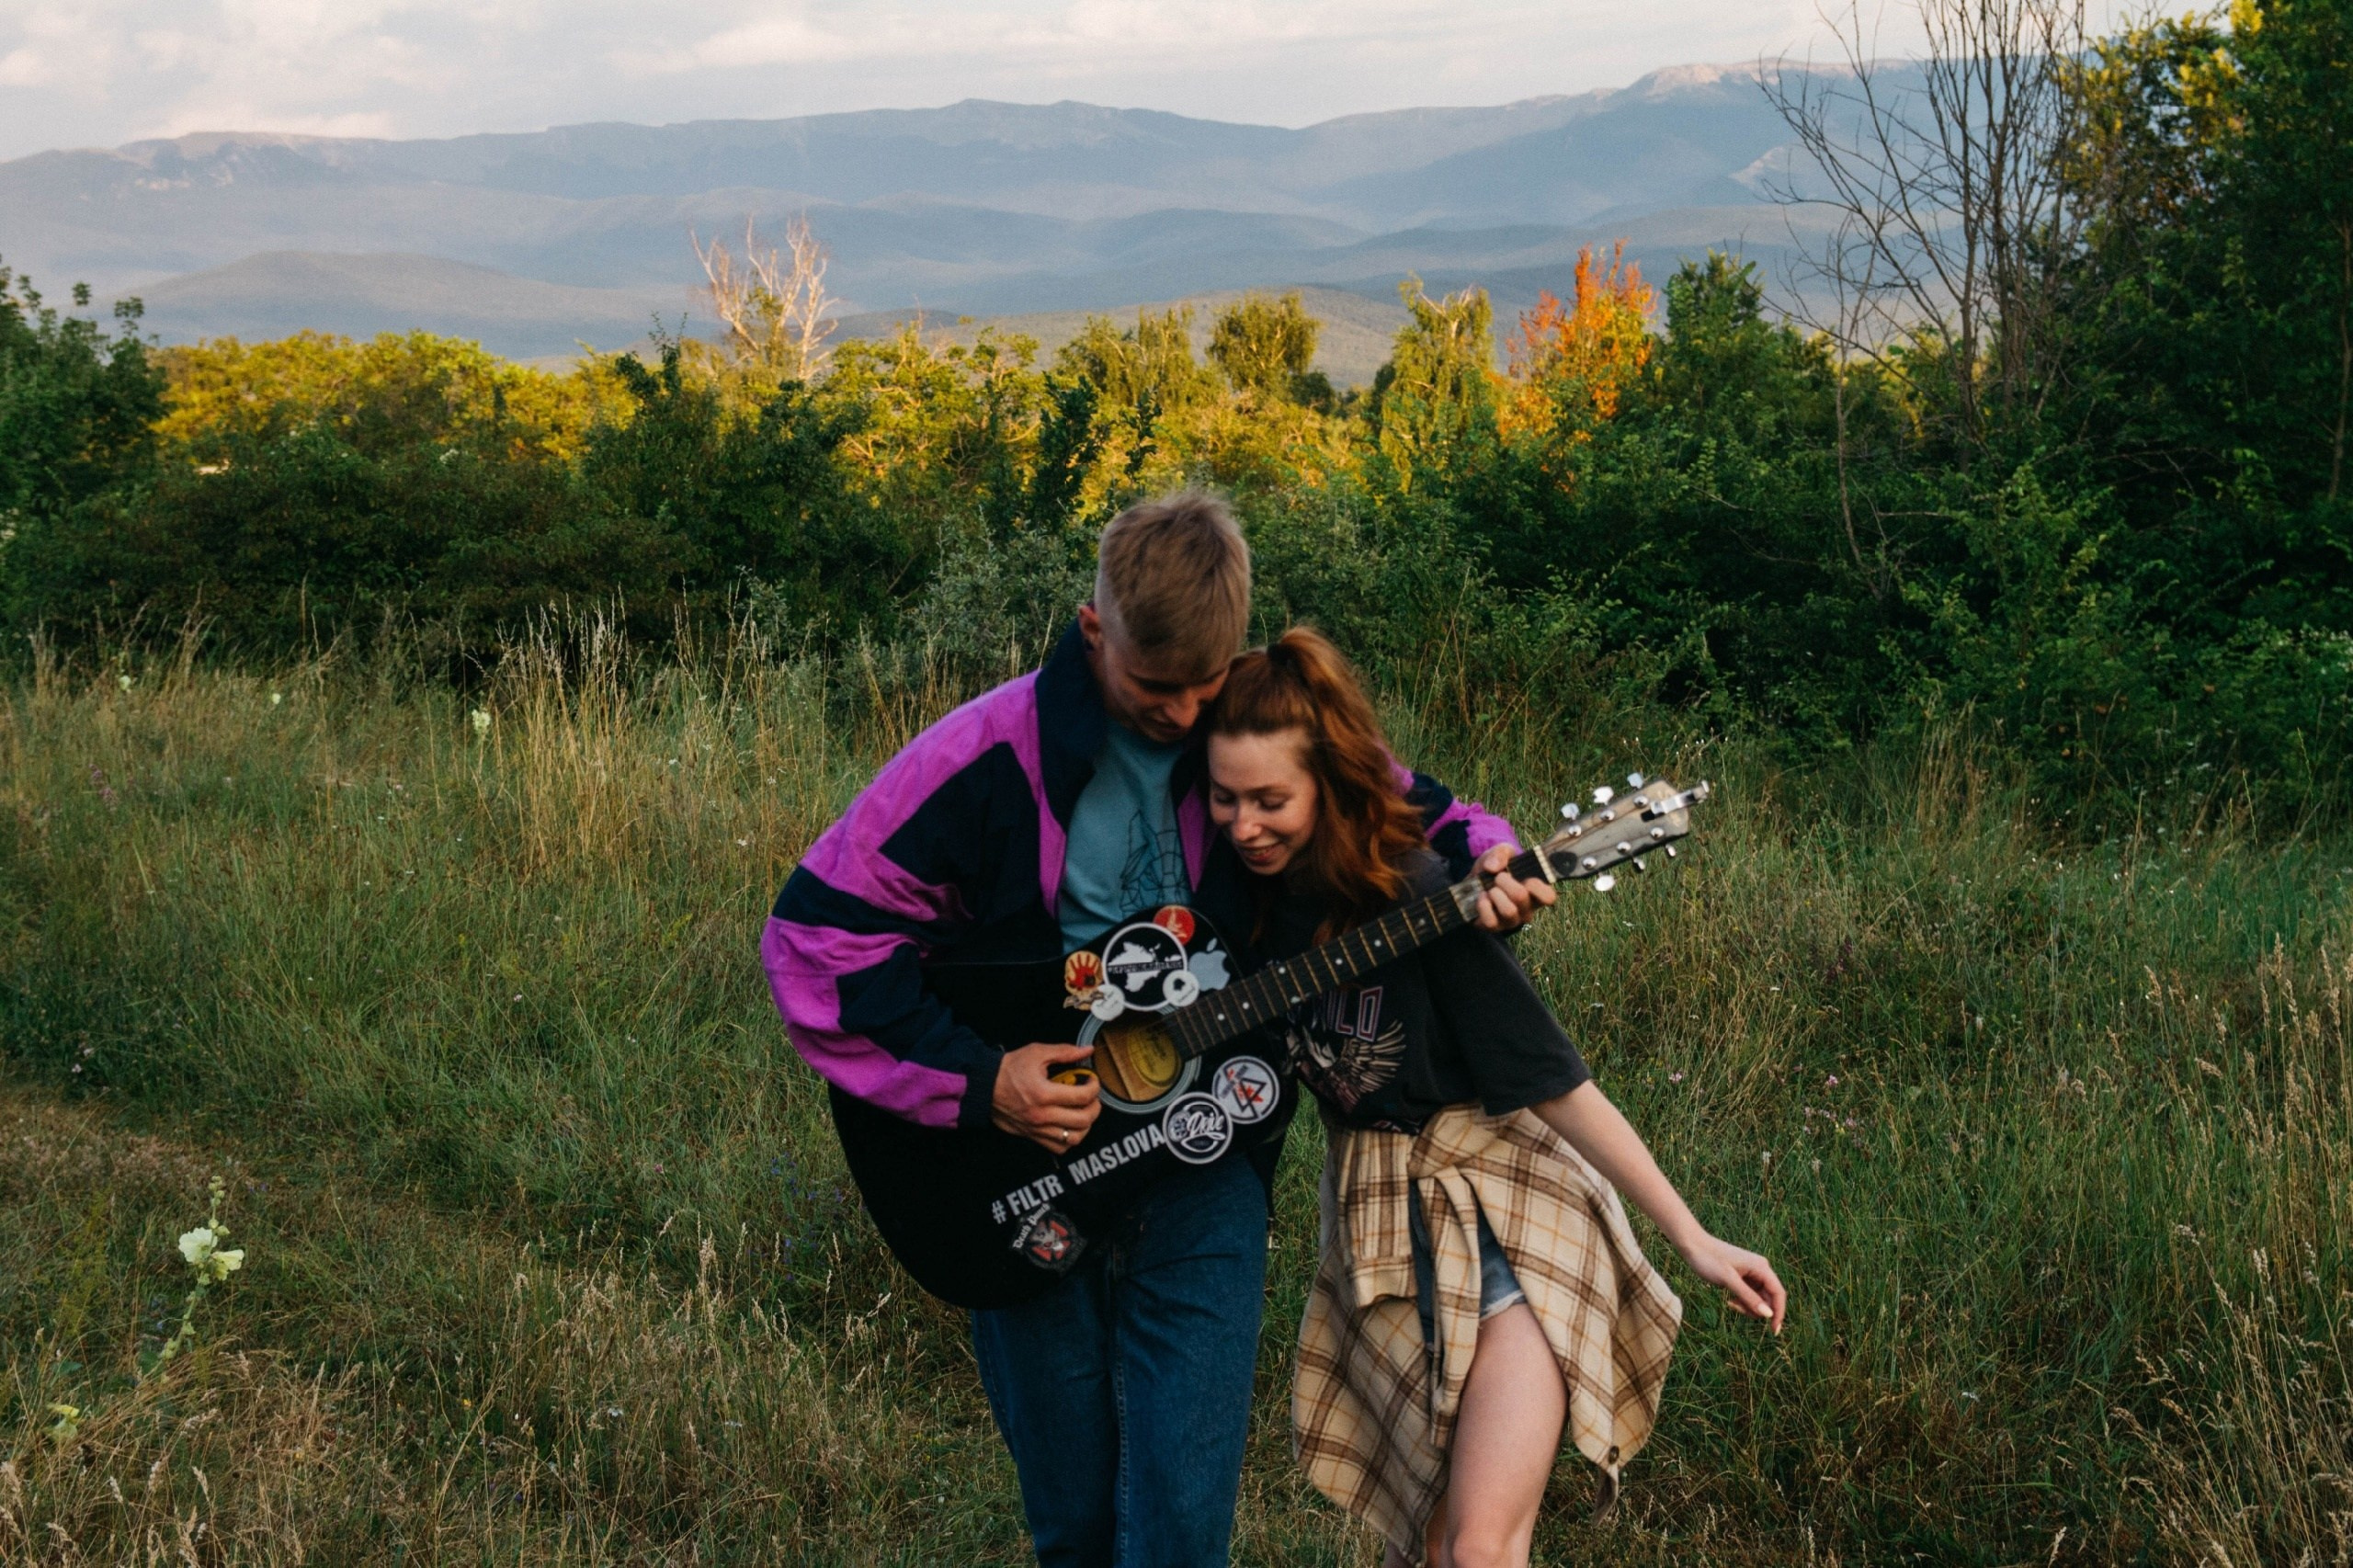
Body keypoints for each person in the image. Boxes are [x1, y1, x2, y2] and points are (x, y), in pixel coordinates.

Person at [762, 494, 1553, 1568]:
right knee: (1077, 1523)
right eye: (1153, 686)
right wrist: (981, 1080)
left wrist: (1496, 860)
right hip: (1018, 1161)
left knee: (1181, 1525)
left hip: (1207, 1154)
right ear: (1094, 632)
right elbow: (814, 942)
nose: (1185, 714)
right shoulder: (979, 759)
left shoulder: (1249, 727)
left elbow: (1418, 813)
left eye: (1204, 683)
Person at [1202, 627, 1787, 1568]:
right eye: (1225, 798)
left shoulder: (1419, 893)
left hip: (1502, 1211)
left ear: (1331, 783)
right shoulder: (1238, 903)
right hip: (1376, 1229)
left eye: (1271, 799)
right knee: (1420, 1544)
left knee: (1475, 1549)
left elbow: (1551, 1079)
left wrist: (1693, 1235)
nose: (1244, 824)